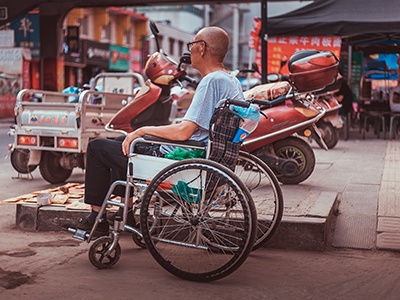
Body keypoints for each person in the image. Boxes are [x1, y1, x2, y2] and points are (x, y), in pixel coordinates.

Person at [75, 26, 245, 236]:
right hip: (206, 153)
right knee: (122, 141)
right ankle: (125, 213)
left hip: (181, 157)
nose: (189, 50)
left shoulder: (211, 82)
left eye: (191, 45)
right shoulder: (231, 80)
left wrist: (143, 130)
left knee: (96, 148)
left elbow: (184, 132)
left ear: (201, 48)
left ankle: (96, 218)